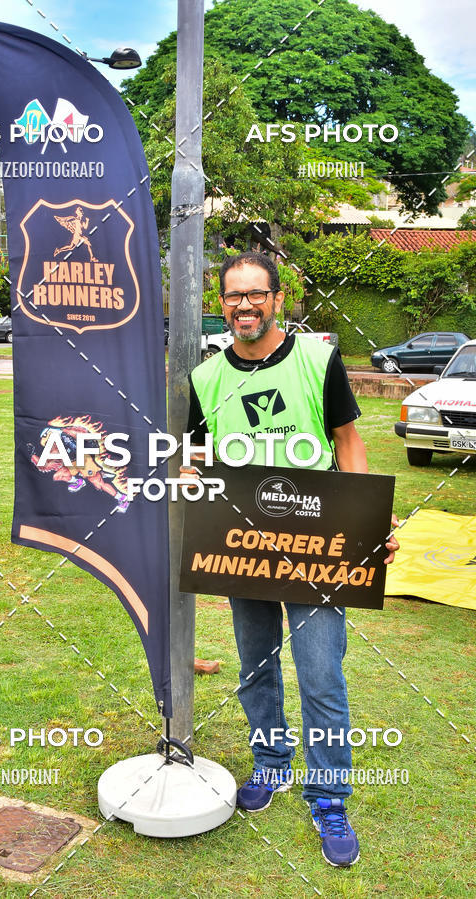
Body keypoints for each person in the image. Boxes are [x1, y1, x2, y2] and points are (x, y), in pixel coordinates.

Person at [184, 251, 399, 867]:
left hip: (317, 545)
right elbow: (199, 459)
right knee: (256, 668)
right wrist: (188, 474)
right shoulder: (207, 379)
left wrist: (371, 522)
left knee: (322, 674)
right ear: (221, 302)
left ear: (277, 299)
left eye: (256, 294)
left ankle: (329, 796)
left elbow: (347, 445)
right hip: (241, 546)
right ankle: (271, 764)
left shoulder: (317, 359)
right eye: (233, 296)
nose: (244, 305)